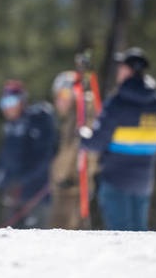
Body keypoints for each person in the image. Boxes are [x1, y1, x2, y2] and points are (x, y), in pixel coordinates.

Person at [79, 47, 156, 231]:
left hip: (115, 180)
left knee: (120, 234)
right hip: (144, 181)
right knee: (139, 232)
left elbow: (96, 142)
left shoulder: (118, 102)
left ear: (129, 70)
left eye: (121, 67)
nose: (118, 71)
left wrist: (83, 136)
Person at [0, 80, 57, 228]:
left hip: (36, 197)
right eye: (3, 102)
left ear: (22, 101)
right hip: (13, 199)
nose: (7, 107)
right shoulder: (10, 127)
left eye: (11, 101)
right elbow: (3, 160)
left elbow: (45, 159)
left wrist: (21, 181)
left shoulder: (37, 121)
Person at [49, 69, 99, 229]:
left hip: (74, 189)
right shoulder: (70, 119)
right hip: (66, 187)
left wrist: (59, 175)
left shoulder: (83, 116)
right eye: (57, 96)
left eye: (64, 95)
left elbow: (83, 152)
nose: (59, 101)